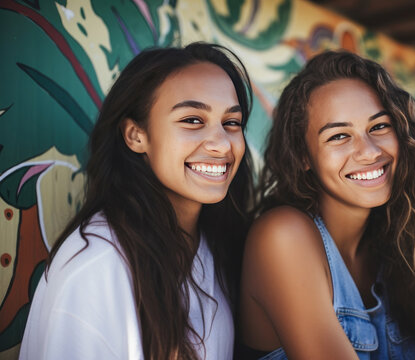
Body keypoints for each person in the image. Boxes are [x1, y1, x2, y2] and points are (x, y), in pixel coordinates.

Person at [237, 51, 415, 359]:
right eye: (339, 136)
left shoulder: (414, 234)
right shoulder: (282, 235)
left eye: (379, 127)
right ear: (303, 156)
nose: (369, 152)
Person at [19, 42, 254, 360]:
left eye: (232, 123)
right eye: (192, 120)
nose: (221, 144)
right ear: (135, 135)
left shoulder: (216, 244)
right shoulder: (98, 265)